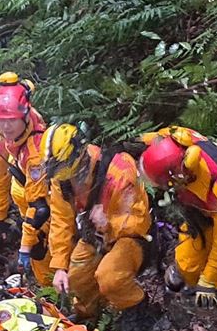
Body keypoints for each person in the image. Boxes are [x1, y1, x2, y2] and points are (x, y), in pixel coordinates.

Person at [138, 126, 217, 308]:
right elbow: (154, 139)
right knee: (189, 261)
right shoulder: (176, 140)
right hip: (196, 199)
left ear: (178, 177)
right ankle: (185, 271)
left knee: (210, 246)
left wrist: (208, 279)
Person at [43, 123, 152, 319]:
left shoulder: (119, 171)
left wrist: (108, 222)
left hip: (131, 238)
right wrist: (59, 265)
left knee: (110, 278)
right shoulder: (62, 180)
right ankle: (91, 315)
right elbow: (61, 220)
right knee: (76, 279)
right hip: (94, 234)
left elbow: (138, 221)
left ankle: (137, 309)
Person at [0, 72, 52, 284]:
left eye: (11, 121)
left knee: (40, 251)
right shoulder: (20, 128)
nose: (5, 127)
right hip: (25, 194)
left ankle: (52, 292)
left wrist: (25, 246)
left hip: (42, 215)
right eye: (1, 121)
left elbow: (40, 209)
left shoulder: (34, 154)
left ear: (25, 116)